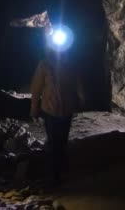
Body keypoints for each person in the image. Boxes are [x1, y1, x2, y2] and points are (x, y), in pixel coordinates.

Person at [30, 46, 84, 189]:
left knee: (62, 140)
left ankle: (60, 167)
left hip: (67, 109)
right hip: (50, 109)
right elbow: (36, 88)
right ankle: (54, 175)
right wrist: (34, 108)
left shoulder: (71, 63)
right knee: (54, 142)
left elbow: (77, 82)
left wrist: (80, 98)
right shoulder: (45, 64)